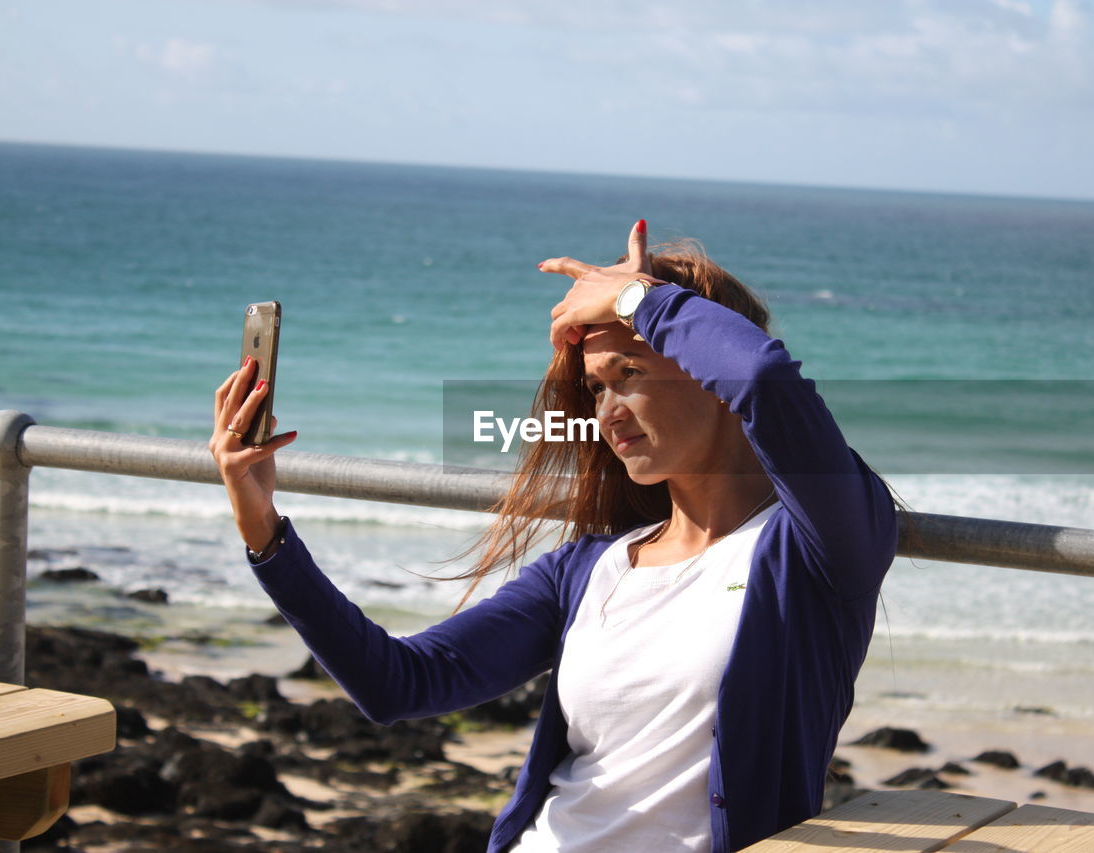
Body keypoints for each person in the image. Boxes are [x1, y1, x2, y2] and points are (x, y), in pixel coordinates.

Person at [210, 220, 898, 853]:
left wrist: (639, 301)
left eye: (630, 373)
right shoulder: (589, 568)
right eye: (596, 388)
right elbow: (397, 683)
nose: (609, 413)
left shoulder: (816, 551)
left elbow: (765, 378)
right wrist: (263, 528)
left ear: (709, 375)